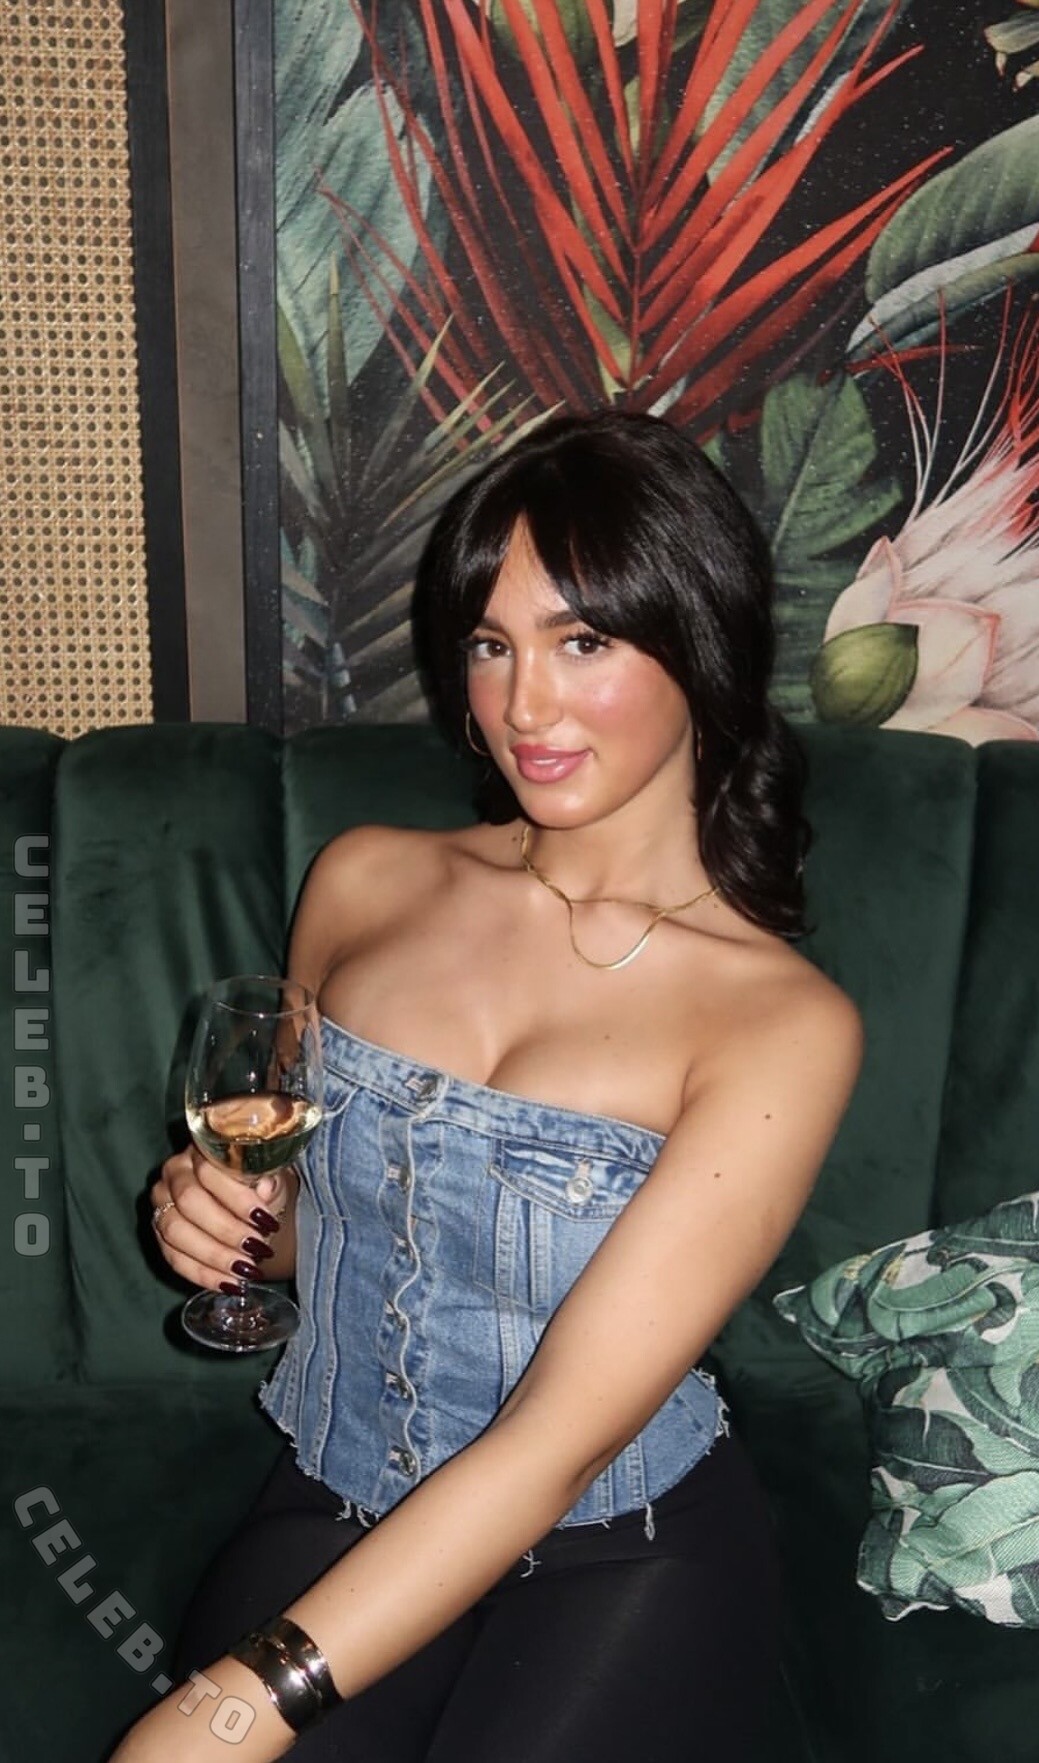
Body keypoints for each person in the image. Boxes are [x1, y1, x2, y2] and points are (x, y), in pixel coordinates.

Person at [112, 411, 862, 1763]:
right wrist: (226, 1227)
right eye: (490, 644)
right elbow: (321, 1235)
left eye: (585, 642)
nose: (523, 707)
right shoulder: (364, 882)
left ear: (701, 646)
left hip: (620, 1544)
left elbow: (556, 1442)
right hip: (340, 1493)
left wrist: (239, 1705)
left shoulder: (780, 1027)